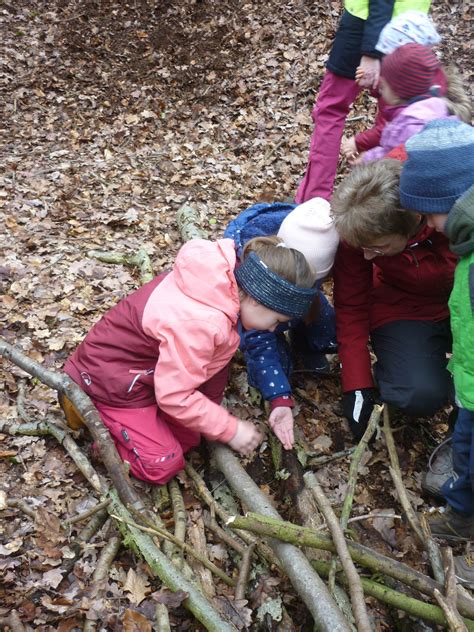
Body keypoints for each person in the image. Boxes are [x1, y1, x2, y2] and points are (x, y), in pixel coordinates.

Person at [61, 237, 318, 484]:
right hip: (110, 382)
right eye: (276, 321)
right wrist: (229, 428)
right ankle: (96, 423)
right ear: (256, 298)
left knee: (189, 438)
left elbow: (214, 364)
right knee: (163, 464)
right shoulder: (203, 322)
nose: (273, 329)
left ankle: (136, 425)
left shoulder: (226, 294)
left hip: (149, 375)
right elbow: (174, 397)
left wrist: (212, 410)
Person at [330, 158, 457, 440]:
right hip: (403, 307)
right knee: (417, 394)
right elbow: (351, 304)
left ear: (411, 221)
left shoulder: (451, 216)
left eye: (378, 248)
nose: (367, 257)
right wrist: (357, 384)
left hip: (464, 303)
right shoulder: (361, 230)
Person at [398, 119, 474, 584]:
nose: (427, 226)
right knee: (466, 454)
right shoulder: (467, 248)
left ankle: (462, 519)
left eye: (429, 215)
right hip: (468, 383)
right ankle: (461, 514)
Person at [295, 0, 431, 204]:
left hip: (366, 26)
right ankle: (384, 203)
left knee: (331, 110)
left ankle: (315, 201)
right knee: (397, 116)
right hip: (411, 30)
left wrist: (371, 51)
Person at [224, 198, 339, 426]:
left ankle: (309, 346)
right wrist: (279, 396)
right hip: (261, 320)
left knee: (323, 320)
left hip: (281, 308)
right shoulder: (256, 290)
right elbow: (259, 342)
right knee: (273, 362)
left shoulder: (316, 244)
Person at [354, 44, 459, 163]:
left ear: (398, 92)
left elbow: (392, 159)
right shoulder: (435, 105)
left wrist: (366, 160)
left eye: (383, 85)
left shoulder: (409, 126)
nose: (380, 89)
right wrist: (373, 84)